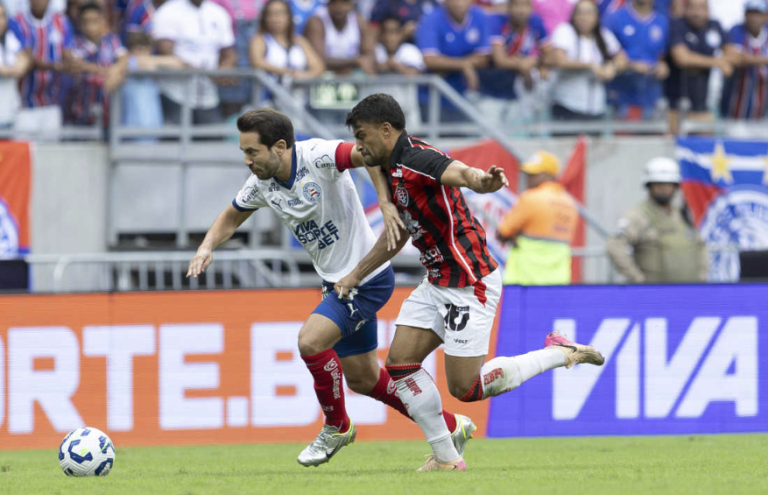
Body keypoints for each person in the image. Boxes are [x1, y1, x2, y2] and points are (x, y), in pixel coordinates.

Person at [186, 108, 473, 468]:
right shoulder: (262, 183)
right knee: (364, 378)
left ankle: (337, 426)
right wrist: (206, 246)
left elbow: (365, 153)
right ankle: (450, 427)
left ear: (279, 147)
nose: (246, 161)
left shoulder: (317, 156)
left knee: (310, 341)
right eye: (243, 152)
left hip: (364, 278)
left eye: (251, 152)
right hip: (335, 283)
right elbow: (231, 215)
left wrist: (383, 200)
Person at [338, 93, 605, 471]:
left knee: (467, 389)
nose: (359, 146)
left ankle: (561, 353)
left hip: (470, 281)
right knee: (399, 364)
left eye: (362, 135)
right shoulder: (390, 165)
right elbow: (396, 236)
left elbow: (460, 172)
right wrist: (355, 275)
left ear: (386, 130)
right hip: (436, 281)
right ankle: (447, 458)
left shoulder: (417, 159)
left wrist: (483, 181)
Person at [606, 157, 708, 283]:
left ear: (675, 186)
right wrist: (637, 279)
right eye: (658, 184)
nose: (663, 188)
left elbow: (700, 246)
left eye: (668, 184)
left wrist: (701, 276)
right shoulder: (637, 216)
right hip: (654, 295)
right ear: (649, 186)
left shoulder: (683, 214)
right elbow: (615, 246)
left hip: (689, 292)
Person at [496, 151, 579, 285]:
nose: (528, 178)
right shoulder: (570, 203)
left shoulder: (530, 198)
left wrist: (514, 236)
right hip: (558, 280)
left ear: (549, 175)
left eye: (534, 174)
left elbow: (502, 233)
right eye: (528, 174)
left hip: (525, 282)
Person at [151, 0, 237, 125]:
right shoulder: (168, 11)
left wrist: (225, 68)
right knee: (174, 142)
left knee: (213, 140)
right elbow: (165, 52)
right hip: (175, 94)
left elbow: (229, 51)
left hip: (209, 95)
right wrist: (202, 72)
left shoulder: (218, 12)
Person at [547, 0, 628, 121]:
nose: (584, 18)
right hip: (567, 105)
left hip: (596, 107)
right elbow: (559, 60)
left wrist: (612, 67)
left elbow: (623, 59)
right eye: (580, 13)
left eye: (589, 13)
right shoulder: (565, 31)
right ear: (573, 15)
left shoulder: (603, 35)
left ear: (597, 16)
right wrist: (590, 66)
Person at [667, 0, 734, 134]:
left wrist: (698, 62)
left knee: (705, 145)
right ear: (685, 9)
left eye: (701, 8)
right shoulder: (677, 25)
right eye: (692, 8)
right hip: (678, 102)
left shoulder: (715, 25)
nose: (697, 13)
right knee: (677, 143)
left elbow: (732, 54)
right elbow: (682, 58)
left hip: (708, 102)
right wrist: (718, 62)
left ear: (708, 10)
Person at [415, 0, 491, 119]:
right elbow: (430, 59)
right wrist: (464, 65)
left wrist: (462, 64)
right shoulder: (431, 19)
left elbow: (484, 57)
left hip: (470, 95)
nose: (458, 3)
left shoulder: (480, 16)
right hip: (435, 98)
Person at [11, 0, 74, 132]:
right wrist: (56, 66)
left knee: (51, 151)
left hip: (52, 105)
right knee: (25, 150)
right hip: (24, 106)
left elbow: (68, 54)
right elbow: (28, 58)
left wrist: (73, 64)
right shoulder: (17, 21)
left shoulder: (61, 22)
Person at [488, 0, 552, 123]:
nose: (521, 10)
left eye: (525, 5)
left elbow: (550, 55)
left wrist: (536, 62)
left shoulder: (535, 21)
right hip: (490, 92)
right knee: (490, 137)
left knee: (514, 138)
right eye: (517, 5)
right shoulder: (497, 21)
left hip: (516, 93)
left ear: (532, 7)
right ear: (509, 7)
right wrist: (522, 64)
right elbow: (500, 60)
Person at [605, 0, 670, 119]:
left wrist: (662, 65)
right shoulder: (614, 18)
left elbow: (662, 55)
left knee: (652, 135)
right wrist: (631, 65)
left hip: (651, 95)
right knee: (621, 135)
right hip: (621, 94)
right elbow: (605, 54)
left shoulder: (662, 20)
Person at [68, 2, 128, 126]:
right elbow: (77, 65)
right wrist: (108, 71)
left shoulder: (112, 40)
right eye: (86, 21)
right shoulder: (75, 42)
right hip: (82, 109)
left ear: (103, 21)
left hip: (109, 111)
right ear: (80, 23)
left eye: (95, 21)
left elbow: (124, 57)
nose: (91, 26)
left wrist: (117, 69)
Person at [249, 0, 325, 85]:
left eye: (280, 13)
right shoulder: (260, 39)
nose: (276, 18)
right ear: (265, 18)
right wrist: (287, 72)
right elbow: (257, 62)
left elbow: (318, 67)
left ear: (289, 17)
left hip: (298, 95)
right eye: (270, 14)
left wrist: (304, 76)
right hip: (270, 94)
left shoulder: (299, 41)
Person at [720, 0, 768, 120]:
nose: (753, 18)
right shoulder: (736, 30)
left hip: (762, 114)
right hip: (735, 112)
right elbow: (734, 58)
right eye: (750, 13)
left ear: (765, 16)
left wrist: (748, 58)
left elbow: (743, 58)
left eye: (757, 13)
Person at [304, 0, 376, 75]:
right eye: (334, 3)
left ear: (351, 4)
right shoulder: (316, 22)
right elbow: (318, 60)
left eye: (344, 2)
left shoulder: (360, 21)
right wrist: (355, 61)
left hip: (352, 75)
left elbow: (370, 55)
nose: (339, 8)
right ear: (327, 5)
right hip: (324, 77)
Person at [0, 2, 32, 129]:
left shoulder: (10, 38)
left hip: (9, 110)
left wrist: (8, 70)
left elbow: (25, 63)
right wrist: (11, 69)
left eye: (2, 16)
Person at [370, 0, 434, 41]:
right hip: (397, 49)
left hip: (426, 45)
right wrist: (403, 34)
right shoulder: (388, 2)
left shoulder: (430, 2)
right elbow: (372, 30)